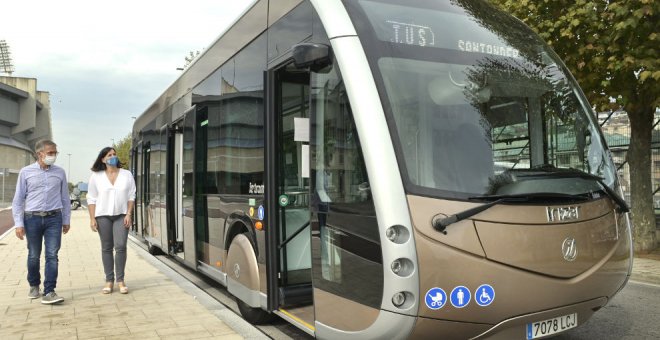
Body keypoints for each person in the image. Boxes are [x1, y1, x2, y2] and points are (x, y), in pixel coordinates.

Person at [12, 139, 71, 304]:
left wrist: (66, 220)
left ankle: (50, 290)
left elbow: (65, 198)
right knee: (33, 255)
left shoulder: (60, 172)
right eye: (50, 153)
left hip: (54, 218)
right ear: (40, 154)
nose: (54, 156)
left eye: (55, 153)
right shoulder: (26, 172)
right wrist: (19, 224)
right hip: (32, 218)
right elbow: (18, 200)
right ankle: (34, 284)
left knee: (52, 254)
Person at [87, 147, 136, 294]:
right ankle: (109, 281)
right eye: (109, 155)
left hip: (121, 215)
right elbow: (91, 198)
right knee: (107, 248)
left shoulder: (126, 174)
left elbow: (131, 195)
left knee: (121, 246)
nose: (113, 156)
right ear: (103, 159)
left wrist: (128, 214)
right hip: (103, 216)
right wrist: (92, 218)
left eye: (114, 154)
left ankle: (120, 280)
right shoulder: (96, 176)